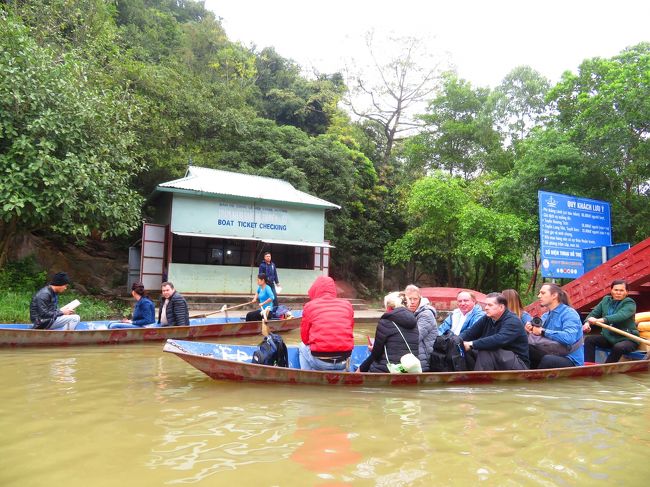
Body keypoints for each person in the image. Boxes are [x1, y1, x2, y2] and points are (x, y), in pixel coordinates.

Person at [460, 293, 529, 371]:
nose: (486, 308)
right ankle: (465, 378)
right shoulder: (487, 318)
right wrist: (456, 340)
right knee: (464, 351)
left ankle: (479, 381)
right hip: (498, 361)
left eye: (490, 305)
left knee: (486, 350)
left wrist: (471, 344)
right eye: (486, 305)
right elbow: (470, 333)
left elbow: (499, 339)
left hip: (518, 364)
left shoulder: (512, 320)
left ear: (501, 307)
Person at [299, 276, 354, 371]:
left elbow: (305, 339)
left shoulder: (309, 306)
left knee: (301, 346)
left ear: (315, 289)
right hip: (344, 361)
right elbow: (349, 331)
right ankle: (348, 373)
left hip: (320, 362)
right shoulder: (347, 305)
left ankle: (307, 376)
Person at [358, 292, 419, 373]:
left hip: (387, 370)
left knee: (370, 364)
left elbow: (376, 354)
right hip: (409, 369)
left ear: (390, 307)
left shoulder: (385, 322)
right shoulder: (414, 322)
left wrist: (372, 349)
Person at [525, 283, 583, 368]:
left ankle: (534, 380)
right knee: (525, 348)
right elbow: (539, 337)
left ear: (554, 295)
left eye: (543, 293)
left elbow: (569, 337)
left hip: (570, 359)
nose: (539, 296)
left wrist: (542, 331)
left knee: (548, 360)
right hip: (552, 352)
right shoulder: (545, 315)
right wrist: (529, 330)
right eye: (539, 293)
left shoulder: (569, 313)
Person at [583, 280, 638, 363]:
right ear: (611, 291)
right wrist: (587, 323)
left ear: (627, 292)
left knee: (618, 347)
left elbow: (620, 315)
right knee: (589, 340)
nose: (618, 293)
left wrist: (600, 320)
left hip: (627, 339)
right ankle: (589, 366)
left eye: (621, 290)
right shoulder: (606, 300)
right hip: (609, 337)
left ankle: (605, 369)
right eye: (616, 290)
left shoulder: (629, 303)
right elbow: (593, 314)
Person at [404, 284, 438, 372]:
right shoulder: (407, 312)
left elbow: (415, 337)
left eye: (415, 299)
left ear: (420, 299)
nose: (412, 302)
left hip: (425, 359)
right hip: (414, 355)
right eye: (409, 299)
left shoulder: (426, 314)